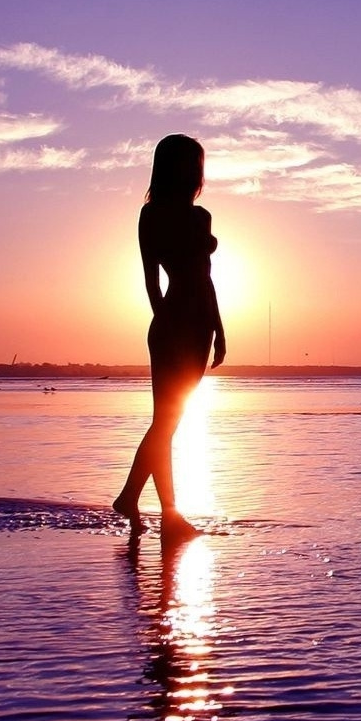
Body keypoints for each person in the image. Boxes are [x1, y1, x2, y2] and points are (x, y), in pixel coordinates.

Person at [113, 134, 227, 538]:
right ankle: (165, 513)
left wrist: (219, 329)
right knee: (165, 421)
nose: (197, 171)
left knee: (169, 422)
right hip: (171, 326)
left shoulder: (202, 217)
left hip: (199, 328)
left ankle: (137, 500)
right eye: (191, 163)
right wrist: (167, 326)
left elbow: (206, 279)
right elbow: (150, 281)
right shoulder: (152, 215)